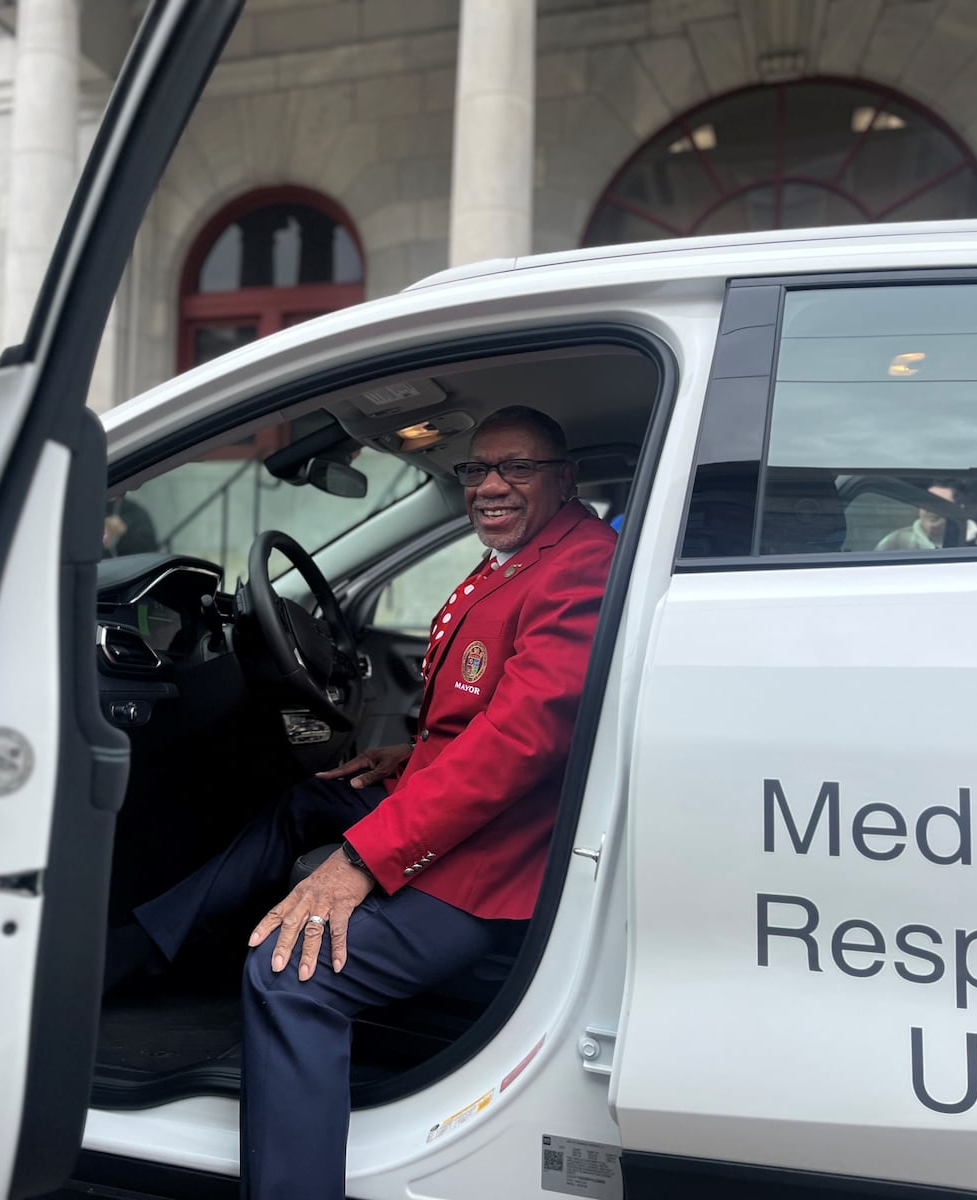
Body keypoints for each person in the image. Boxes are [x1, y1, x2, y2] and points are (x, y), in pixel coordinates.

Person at [108, 405, 617, 1200]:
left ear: (564, 478)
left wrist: (359, 865)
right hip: (454, 813)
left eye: (515, 468)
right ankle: (142, 949)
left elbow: (519, 746)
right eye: (476, 470)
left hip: (493, 864)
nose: (489, 486)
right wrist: (407, 758)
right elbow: (481, 725)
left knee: (288, 977)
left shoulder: (579, 567)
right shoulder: (518, 557)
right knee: (308, 801)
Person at [875, 482, 977, 551]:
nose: (930, 510)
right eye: (926, 503)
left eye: (938, 505)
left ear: (959, 508)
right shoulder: (894, 542)